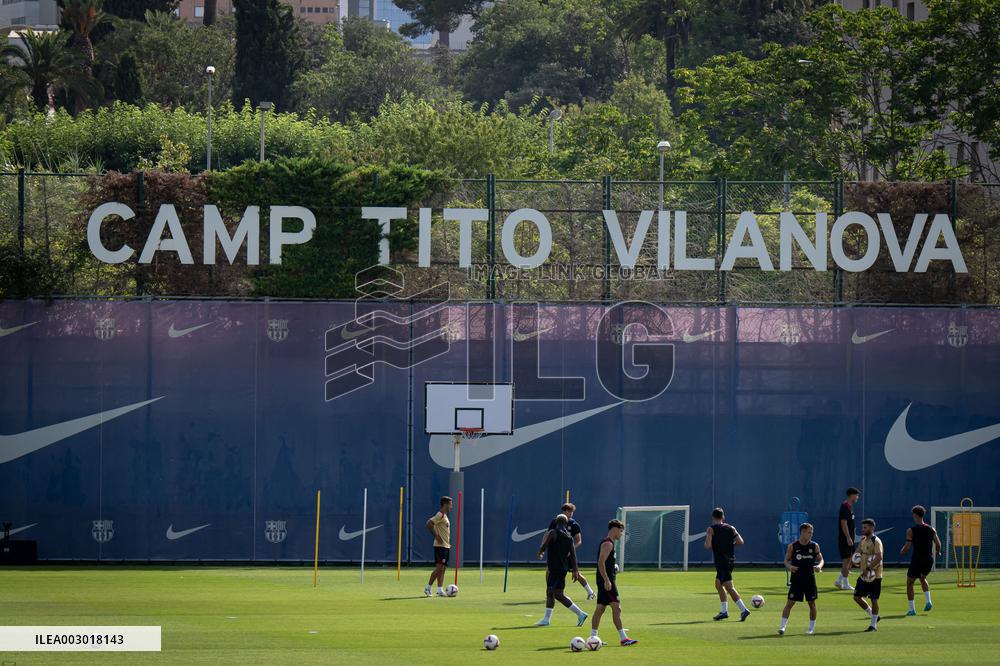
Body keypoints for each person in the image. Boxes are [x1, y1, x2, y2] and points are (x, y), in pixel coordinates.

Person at [590, 519, 638, 646]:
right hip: (607, 581)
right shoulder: (608, 544)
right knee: (617, 608)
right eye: (621, 531)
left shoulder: (608, 543)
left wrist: (612, 570)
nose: (621, 534)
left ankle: (593, 638)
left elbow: (605, 563)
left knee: (600, 608)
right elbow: (600, 562)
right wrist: (607, 579)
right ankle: (623, 638)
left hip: (605, 579)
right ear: (614, 529)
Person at [536, 514, 588, 627]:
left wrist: (540, 551)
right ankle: (546, 619)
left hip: (556, 569)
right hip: (561, 569)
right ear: (565, 523)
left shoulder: (553, 532)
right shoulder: (569, 538)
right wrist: (575, 570)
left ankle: (580, 614)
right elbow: (573, 556)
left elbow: (545, 544)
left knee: (557, 594)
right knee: (551, 592)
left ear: (556, 522)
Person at [541, 503, 596, 599]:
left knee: (576, 574)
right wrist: (542, 548)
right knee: (549, 570)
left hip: (568, 555)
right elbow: (547, 535)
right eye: (570, 511)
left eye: (572, 512)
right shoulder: (555, 522)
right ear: (564, 511)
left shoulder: (574, 524)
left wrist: (571, 550)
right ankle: (550, 591)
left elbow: (579, 541)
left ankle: (591, 593)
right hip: (557, 554)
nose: (571, 514)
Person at [704, 507, 750, 621]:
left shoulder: (711, 529)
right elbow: (740, 541)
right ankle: (726, 611)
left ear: (713, 517)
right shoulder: (731, 528)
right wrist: (729, 545)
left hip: (721, 562)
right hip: (730, 560)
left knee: (724, 586)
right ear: (723, 517)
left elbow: (707, 546)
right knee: (722, 585)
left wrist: (710, 538)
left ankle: (741, 610)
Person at [780, 522, 823, 636]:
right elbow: (786, 561)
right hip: (797, 579)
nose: (811, 534)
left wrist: (819, 566)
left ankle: (811, 628)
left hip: (809, 579)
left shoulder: (814, 546)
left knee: (812, 603)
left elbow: (821, 559)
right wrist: (790, 567)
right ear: (802, 532)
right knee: (790, 603)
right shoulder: (793, 546)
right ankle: (782, 627)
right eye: (809, 532)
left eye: (812, 532)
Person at [900, 505, 942, 615]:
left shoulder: (911, 530)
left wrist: (903, 551)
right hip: (928, 559)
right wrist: (937, 552)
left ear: (914, 515)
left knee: (910, 583)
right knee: (922, 578)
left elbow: (907, 546)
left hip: (917, 560)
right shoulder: (931, 529)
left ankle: (912, 609)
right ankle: (928, 601)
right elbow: (938, 544)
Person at [852, 518, 884, 632]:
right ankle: (873, 615)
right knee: (856, 597)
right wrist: (854, 560)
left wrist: (869, 568)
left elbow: (879, 556)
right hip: (863, 574)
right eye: (863, 527)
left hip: (875, 575)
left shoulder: (876, 541)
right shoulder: (863, 540)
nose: (863, 529)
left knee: (874, 599)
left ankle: (873, 625)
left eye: (865, 527)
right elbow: (857, 551)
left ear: (871, 528)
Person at [424, 496, 452, 597]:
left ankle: (440, 589)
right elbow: (429, 523)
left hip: (445, 546)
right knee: (439, 568)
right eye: (450, 504)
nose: (451, 507)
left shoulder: (445, 516)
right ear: (445, 504)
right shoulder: (440, 514)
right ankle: (428, 588)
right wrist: (436, 536)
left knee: (443, 568)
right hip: (440, 546)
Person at [835, 487, 860, 591]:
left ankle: (839, 581)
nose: (857, 497)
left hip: (850, 539)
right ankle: (845, 584)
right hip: (846, 539)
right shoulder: (845, 506)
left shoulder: (850, 507)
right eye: (856, 495)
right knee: (847, 561)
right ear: (851, 495)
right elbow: (843, 523)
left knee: (850, 561)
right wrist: (848, 538)